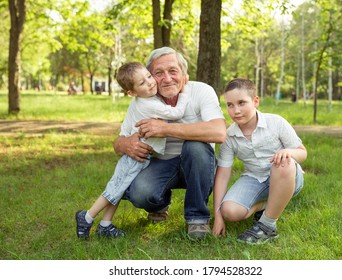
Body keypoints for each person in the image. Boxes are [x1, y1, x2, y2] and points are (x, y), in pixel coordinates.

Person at [113, 47, 227, 240]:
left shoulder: (201, 91)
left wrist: (165, 129)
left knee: (195, 147)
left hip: (197, 164)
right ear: (150, 76)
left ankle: (197, 218)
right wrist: (126, 145)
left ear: (183, 74)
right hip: (160, 163)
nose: (166, 78)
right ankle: (159, 205)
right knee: (140, 193)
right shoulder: (144, 98)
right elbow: (118, 142)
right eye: (158, 73)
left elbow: (219, 132)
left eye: (173, 71)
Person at [75, 61, 189, 239]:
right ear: (132, 92)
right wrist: (183, 93)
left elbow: (126, 126)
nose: (150, 82)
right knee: (115, 189)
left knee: (120, 187)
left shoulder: (140, 101)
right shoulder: (148, 104)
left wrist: (127, 137)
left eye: (149, 77)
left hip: (140, 155)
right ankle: (87, 216)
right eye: (142, 83)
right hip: (136, 156)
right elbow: (176, 113)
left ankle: (105, 224)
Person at [212, 78, 307, 244]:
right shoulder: (229, 136)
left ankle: (268, 226)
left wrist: (288, 152)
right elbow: (222, 176)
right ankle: (268, 205)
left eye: (242, 103)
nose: (236, 110)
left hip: (288, 176)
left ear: (255, 101)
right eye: (230, 105)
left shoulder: (276, 122)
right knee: (230, 211)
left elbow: (302, 153)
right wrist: (218, 216)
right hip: (255, 178)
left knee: (283, 161)